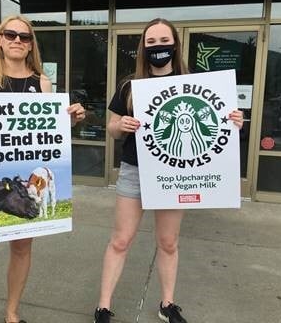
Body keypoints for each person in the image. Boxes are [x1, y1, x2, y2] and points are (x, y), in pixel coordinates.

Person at [93, 18, 243, 323]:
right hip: (134, 171)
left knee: (168, 242)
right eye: (151, 42)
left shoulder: (196, 83)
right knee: (121, 241)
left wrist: (233, 120)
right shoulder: (128, 85)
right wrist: (119, 126)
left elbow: (216, 125)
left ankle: (167, 303)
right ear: (143, 47)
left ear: (174, 44)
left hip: (176, 175)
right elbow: (110, 127)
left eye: (164, 41)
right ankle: (103, 307)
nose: (158, 47)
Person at [0, 15, 85, 323]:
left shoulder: (42, 83)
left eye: (24, 37)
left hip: (26, 180)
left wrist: (70, 121)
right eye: (11, 34)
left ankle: (11, 313)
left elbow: (46, 131)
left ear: (31, 44)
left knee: (21, 250)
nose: (17, 40)